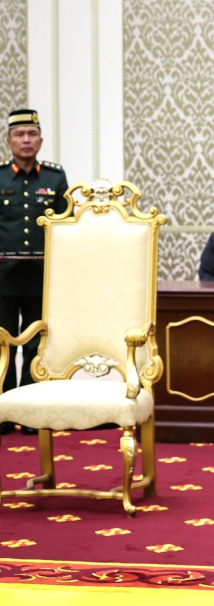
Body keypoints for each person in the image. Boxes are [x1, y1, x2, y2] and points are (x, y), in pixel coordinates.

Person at [0, 109, 67, 436]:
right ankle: (3, 407)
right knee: (3, 344)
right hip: (4, 277)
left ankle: (28, 411)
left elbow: (66, 226)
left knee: (36, 347)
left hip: (42, 278)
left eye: (31, 134)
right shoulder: (0, 176)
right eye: (19, 135)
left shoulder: (54, 178)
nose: (26, 140)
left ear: (40, 139)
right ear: (9, 140)